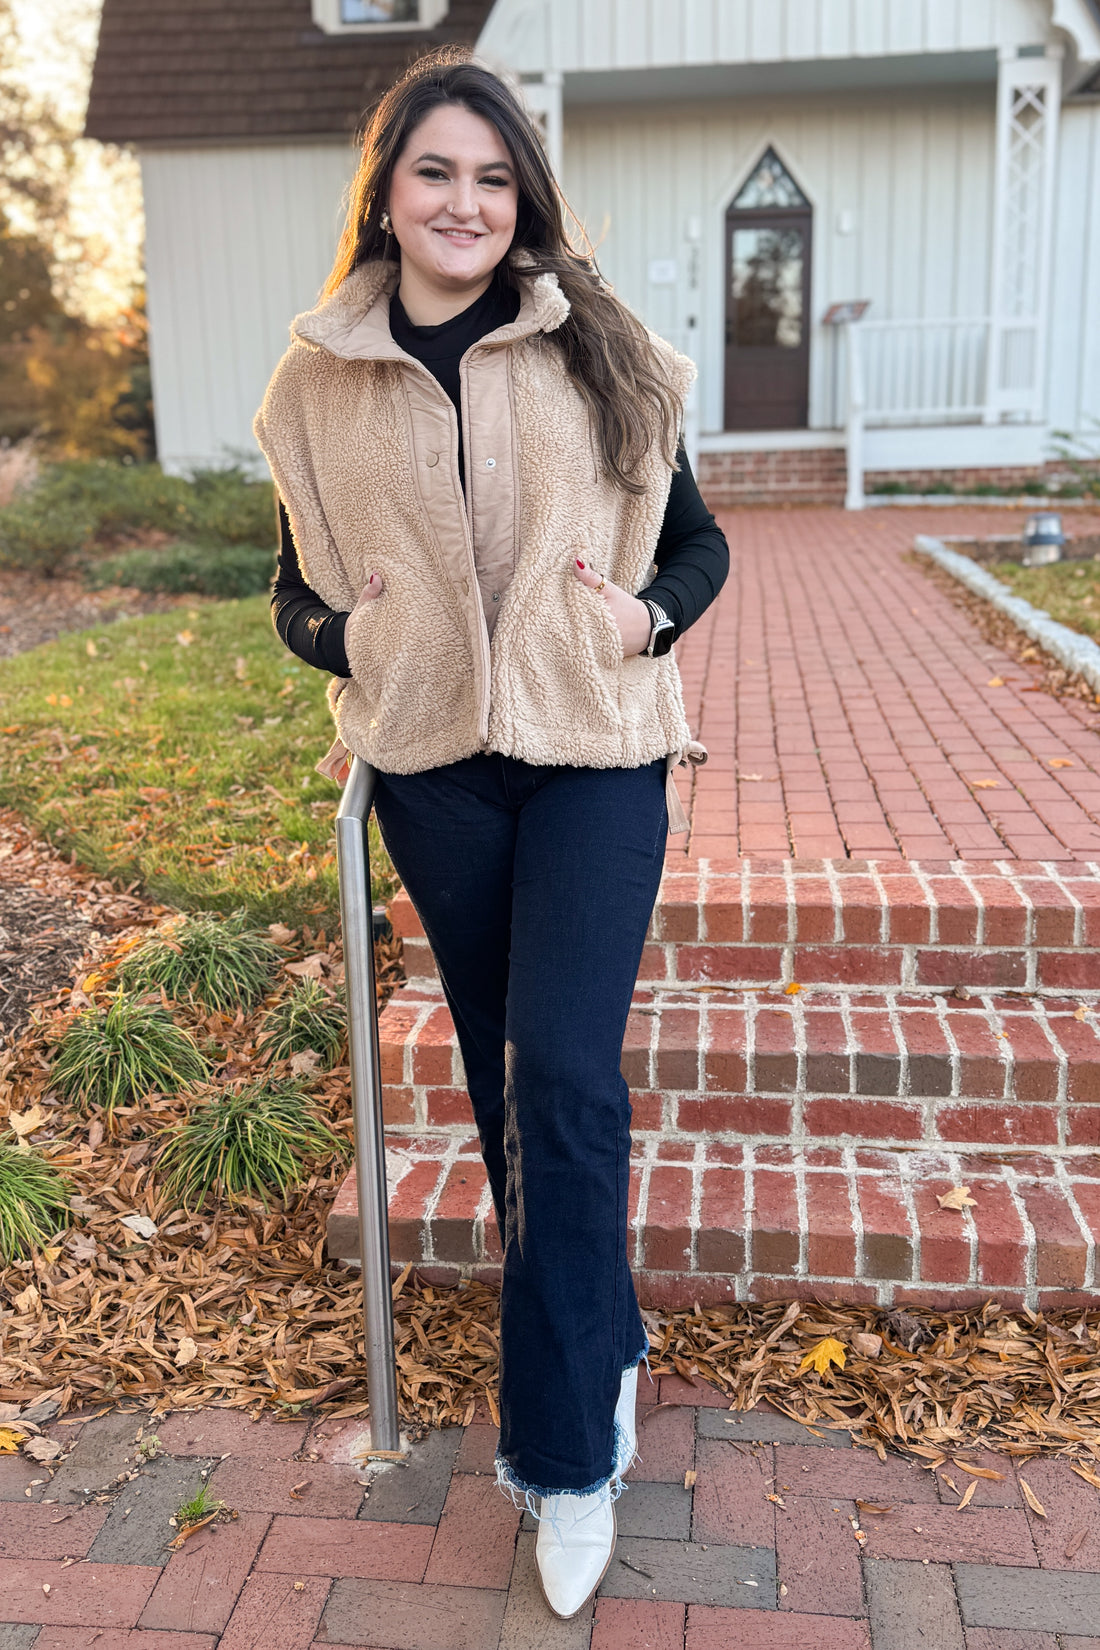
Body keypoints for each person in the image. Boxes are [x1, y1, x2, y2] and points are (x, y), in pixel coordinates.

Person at [255, 47, 728, 1620]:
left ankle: (570, 1452)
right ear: (387, 194)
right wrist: (355, 639)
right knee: (497, 1076)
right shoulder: (316, 379)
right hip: (435, 768)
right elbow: (296, 592)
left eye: (493, 176)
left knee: (564, 1075)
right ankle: (603, 1333)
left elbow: (701, 546)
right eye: (435, 173)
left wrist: (643, 618)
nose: (465, 202)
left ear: (521, 197)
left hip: (594, 751)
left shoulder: (605, 346)